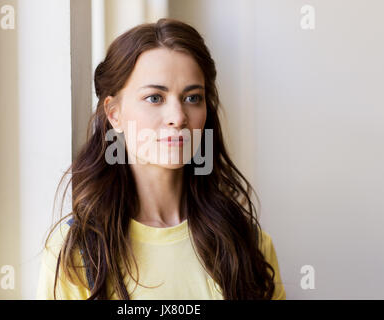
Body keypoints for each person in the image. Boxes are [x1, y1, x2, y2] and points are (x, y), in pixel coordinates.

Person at [36, 18, 286, 300]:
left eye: (192, 98)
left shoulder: (248, 242)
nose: (178, 117)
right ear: (114, 113)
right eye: (155, 98)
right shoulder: (76, 254)